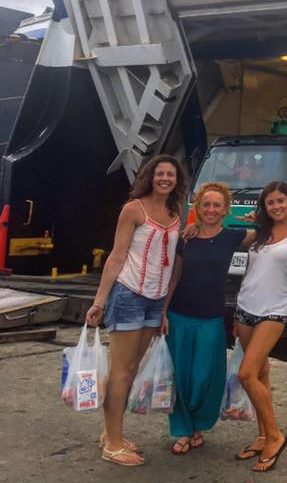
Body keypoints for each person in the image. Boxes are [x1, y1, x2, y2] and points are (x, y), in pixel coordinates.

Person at [85, 154, 186, 467]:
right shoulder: (133, 209)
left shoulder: (177, 211)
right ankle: (112, 443)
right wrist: (99, 301)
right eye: (160, 174)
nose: (165, 179)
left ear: (177, 180)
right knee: (121, 371)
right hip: (129, 294)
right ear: (150, 177)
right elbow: (116, 256)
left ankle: (111, 433)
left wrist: (165, 309)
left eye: (170, 174)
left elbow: (173, 261)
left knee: (132, 370)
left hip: (155, 300)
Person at [161, 182, 255, 455]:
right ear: (198, 207)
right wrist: (163, 312)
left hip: (211, 318)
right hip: (179, 315)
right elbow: (175, 276)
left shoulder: (233, 236)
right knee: (180, 377)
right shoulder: (186, 237)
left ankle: (200, 423)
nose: (211, 210)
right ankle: (183, 430)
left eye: (217, 205)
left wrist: (257, 216)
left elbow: (270, 232)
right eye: (206, 204)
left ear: (225, 209)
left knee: (205, 377)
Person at [233, 180, 287, 472]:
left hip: (274, 310)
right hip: (246, 306)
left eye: (281, 201)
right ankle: (261, 436)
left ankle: (275, 437)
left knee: (246, 374)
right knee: (260, 373)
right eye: (271, 202)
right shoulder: (262, 232)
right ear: (265, 206)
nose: (276, 206)